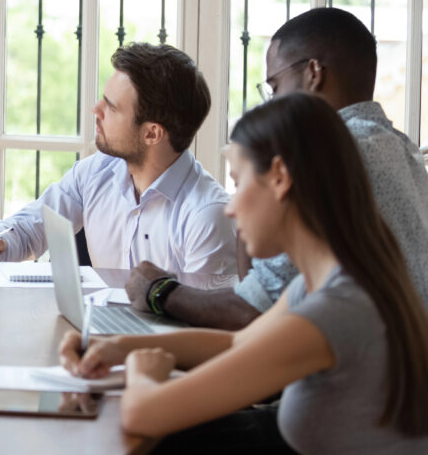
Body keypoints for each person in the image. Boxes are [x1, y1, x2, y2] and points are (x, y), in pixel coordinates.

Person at [61, 93, 428, 453]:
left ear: (280, 177)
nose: (231, 208)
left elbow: (143, 414)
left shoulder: (334, 310)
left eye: (238, 183)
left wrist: (144, 371)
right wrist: (118, 346)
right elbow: (238, 343)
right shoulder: (328, 283)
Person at [126, 7, 428, 329]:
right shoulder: (404, 152)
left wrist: (159, 291)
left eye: (275, 88)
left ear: (314, 74)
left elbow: (254, 310)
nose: (272, 104)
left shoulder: (329, 157)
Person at [0, 43, 236, 275]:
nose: (95, 110)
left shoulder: (207, 216)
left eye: (111, 107)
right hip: (97, 333)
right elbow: (30, 231)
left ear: (152, 133)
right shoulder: (96, 171)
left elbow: (202, 325)